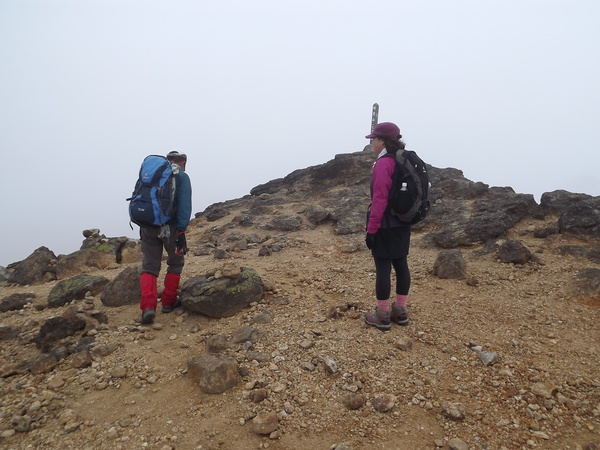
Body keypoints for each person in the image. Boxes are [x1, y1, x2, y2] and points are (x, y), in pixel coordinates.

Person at [364, 122, 411, 331]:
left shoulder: (384, 163)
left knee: (383, 267)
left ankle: (382, 315)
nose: (372, 142)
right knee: (401, 264)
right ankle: (400, 311)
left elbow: (380, 199)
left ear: (382, 140)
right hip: (402, 223)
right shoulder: (403, 160)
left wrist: (372, 230)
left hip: (385, 225)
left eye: (373, 139)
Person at [139, 151, 192, 324]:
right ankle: (168, 302)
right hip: (171, 227)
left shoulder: (152, 174)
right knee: (176, 263)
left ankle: (148, 307)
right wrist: (182, 230)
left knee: (149, 266)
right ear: (182, 161)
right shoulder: (182, 176)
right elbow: (184, 206)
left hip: (147, 225)